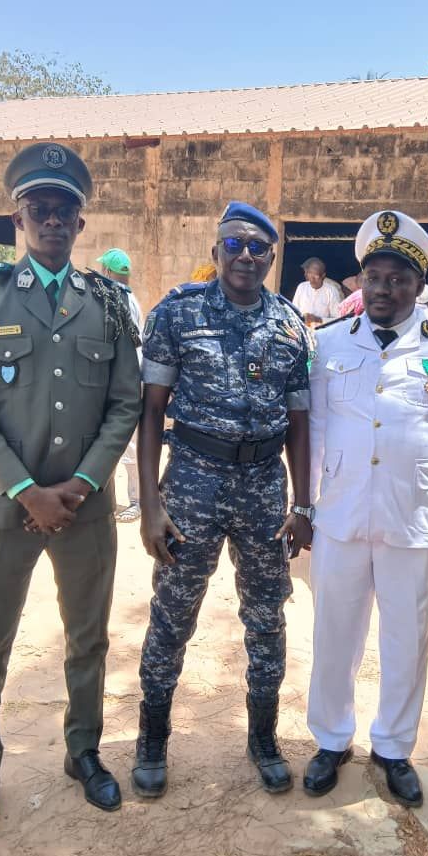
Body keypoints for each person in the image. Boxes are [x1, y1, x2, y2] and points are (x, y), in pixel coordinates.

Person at [0, 142, 141, 848]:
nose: (53, 220)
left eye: (65, 210)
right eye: (41, 208)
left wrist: (82, 484)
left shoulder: (111, 303)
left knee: (87, 637)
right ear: (18, 216)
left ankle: (82, 751)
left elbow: (124, 404)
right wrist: (29, 491)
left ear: (81, 224)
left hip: (85, 508)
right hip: (5, 509)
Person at [303, 210, 428, 805]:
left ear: (418, 286)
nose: (384, 289)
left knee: (408, 637)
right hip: (340, 513)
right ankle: (331, 739)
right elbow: (315, 431)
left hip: (415, 516)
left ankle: (393, 747)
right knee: (335, 632)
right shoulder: (329, 342)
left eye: (398, 279)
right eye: (374, 278)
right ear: (359, 281)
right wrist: (304, 507)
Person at [134, 201, 312, 799]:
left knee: (267, 616)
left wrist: (304, 503)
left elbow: (300, 424)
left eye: (257, 248)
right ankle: (153, 736)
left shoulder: (291, 324)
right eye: (233, 244)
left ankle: (263, 737)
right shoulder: (176, 313)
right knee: (173, 611)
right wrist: (150, 502)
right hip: (193, 480)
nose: (245, 256)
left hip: (264, 487)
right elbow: (151, 412)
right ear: (216, 252)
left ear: (271, 257)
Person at [96, 248, 144, 523]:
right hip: (127, 378)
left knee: (127, 447)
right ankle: (113, 500)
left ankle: (135, 501)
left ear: (108, 272)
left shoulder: (115, 298)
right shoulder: (127, 297)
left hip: (124, 380)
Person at [292, 257, 343, 326]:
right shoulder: (301, 287)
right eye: (310, 274)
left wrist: (318, 319)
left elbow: (339, 319)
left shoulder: (331, 291)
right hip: (302, 330)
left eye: (316, 275)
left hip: (322, 332)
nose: (312, 280)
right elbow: (293, 312)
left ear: (323, 276)